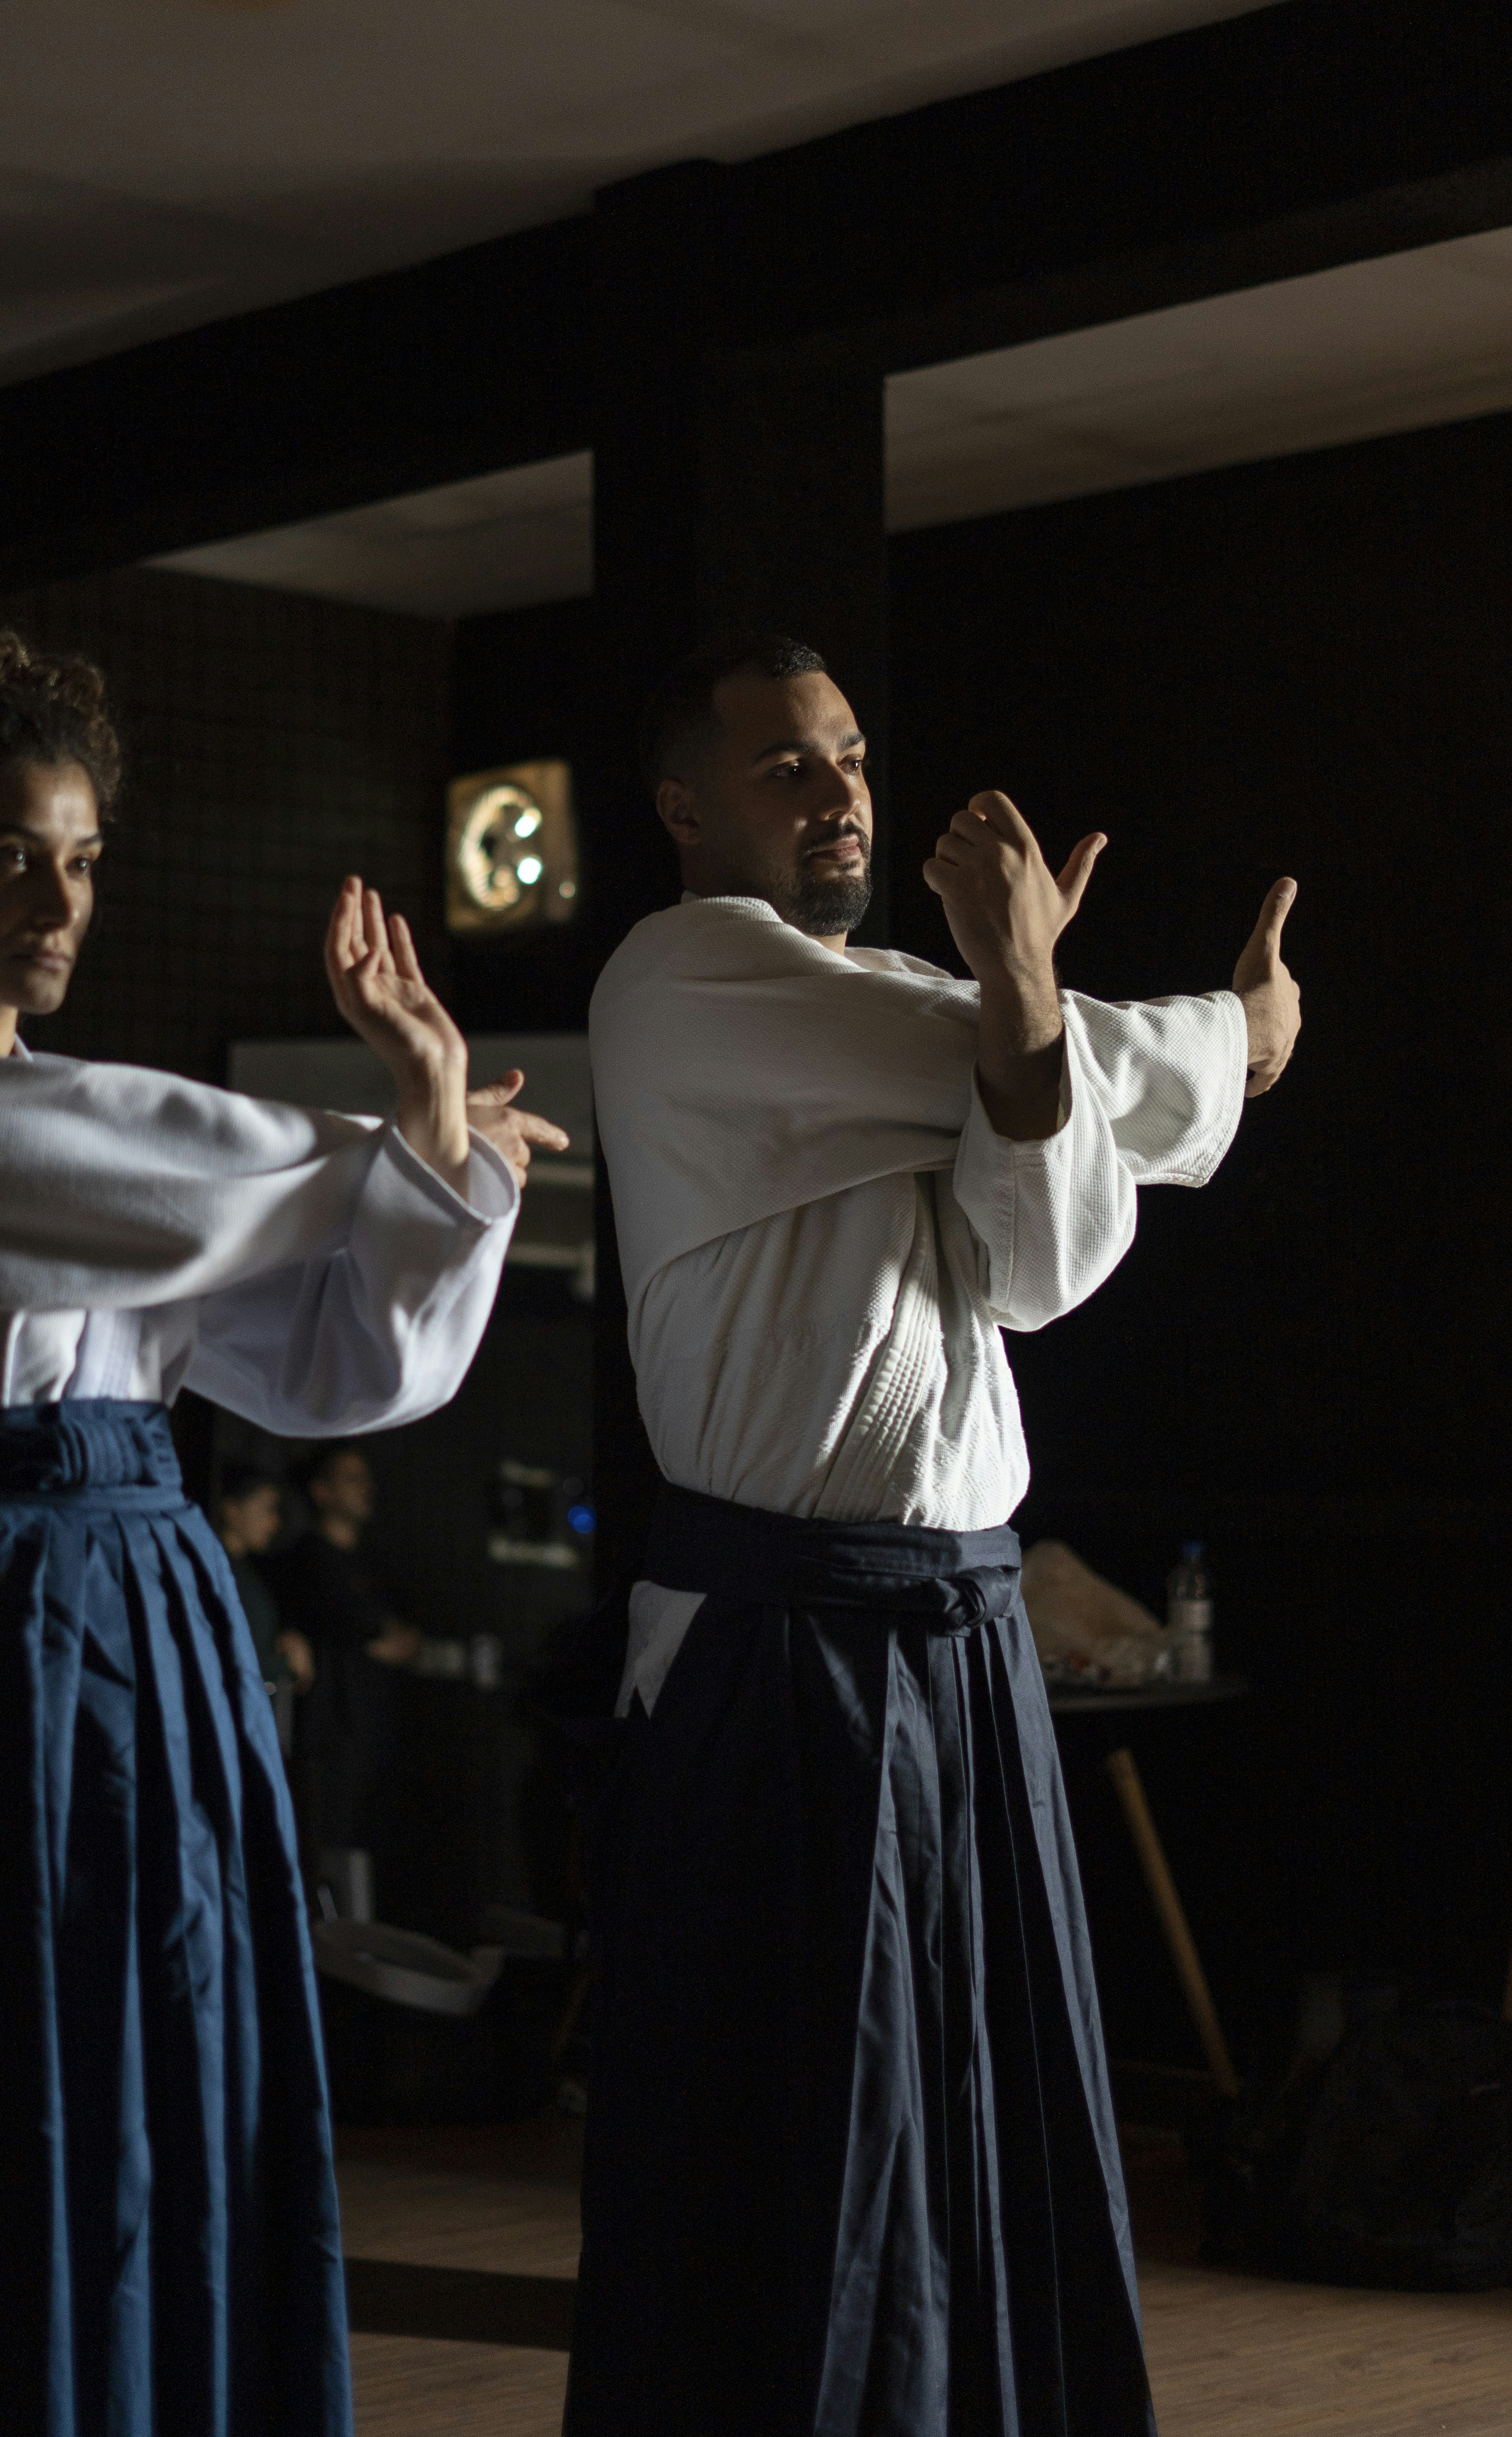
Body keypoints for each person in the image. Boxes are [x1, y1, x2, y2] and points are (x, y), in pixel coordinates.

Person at [0, 617, 566, 2437]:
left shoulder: (158, 1189)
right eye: (8, 856)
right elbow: (51, 1160)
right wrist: (378, 1137)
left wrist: (437, 1175)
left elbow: (344, 1368)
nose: (57, 902)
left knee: (166, 2096)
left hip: (153, 1636)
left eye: (80, 859)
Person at [574, 635, 1301, 2437]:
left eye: (848, 757)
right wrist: (1222, 1036)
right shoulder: (683, 978)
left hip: (959, 1635)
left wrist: (1024, 993)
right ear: (685, 808)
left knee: (976, 2124)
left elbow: (1049, 1272)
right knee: (806, 2140)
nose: (837, 792)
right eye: (782, 768)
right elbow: (1044, 1073)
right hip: (784, 1643)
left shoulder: (935, 1004)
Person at [269, 1445, 421, 1875]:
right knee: (325, 1848)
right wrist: (369, 1637)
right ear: (322, 1491)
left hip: (377, 1730)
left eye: (365, 1478)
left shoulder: (375, 1563)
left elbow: (406, 1635)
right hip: (328, 1732)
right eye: (350, 1479)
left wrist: (374, 1637)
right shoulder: (307, 1561)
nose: (365, 1490)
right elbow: (354, 1626)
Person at [216, 1462, 314, 1696]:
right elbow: (223, 1657)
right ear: (232, 1509)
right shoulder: (216, 1573)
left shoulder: (245, 1573)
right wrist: (285, 1664)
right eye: (266, 1510)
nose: (274, 1523)